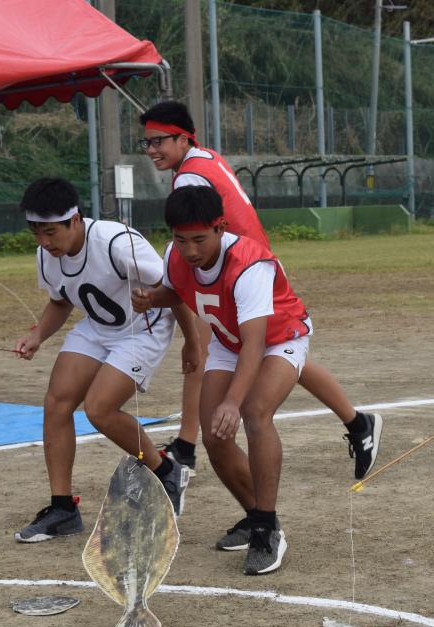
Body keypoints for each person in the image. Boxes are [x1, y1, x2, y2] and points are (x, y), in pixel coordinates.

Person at [138, 100, 382, 486]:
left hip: (237, 274)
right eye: (146, 143)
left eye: (158, 141)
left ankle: (187, 445)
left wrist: (190, 340)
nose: (151, 150)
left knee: (226, 359)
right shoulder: (205, 158)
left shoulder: (188, 180)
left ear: (184, 138)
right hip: (247, 268)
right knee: (278, 352)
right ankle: (357, 421)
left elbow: (201, 245)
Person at [131, 185, 308, 575]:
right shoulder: (175, 255)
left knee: (254, 413)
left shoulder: (249, 265)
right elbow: (176, 292)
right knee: (213, 436)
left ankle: (266, 528)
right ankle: (255, 515)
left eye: (199, 239)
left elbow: (255, 343)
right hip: (230, 342)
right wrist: (150, 297)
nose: (190, 250)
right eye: (180, 239)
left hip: (280, 339)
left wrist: (232, 400)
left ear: (220, 227)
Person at [12, 177, 201, 543]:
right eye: (36, 233)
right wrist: (37, 335)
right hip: (97, 327)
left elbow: (173, 289)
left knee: (99, 408)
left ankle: (166, 472)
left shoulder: (117, 242)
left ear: (75, 220)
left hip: (142, 328)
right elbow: (61, 300)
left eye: (51, 232)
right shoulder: (46, 255)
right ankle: (63, 508)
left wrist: (192, 342)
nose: (43, 242)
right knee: (57, 402)